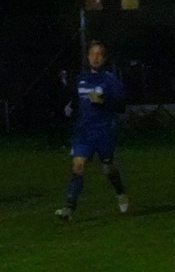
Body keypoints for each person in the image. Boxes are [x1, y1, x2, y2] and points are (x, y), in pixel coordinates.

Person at [55, 41, 128, 220]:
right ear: (88, 57)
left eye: (99, 55)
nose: (96, 58)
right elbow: (75, 100)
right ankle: (69, 208)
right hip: (84, 132)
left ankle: (120, 192)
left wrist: (104, 101)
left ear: (104, 58)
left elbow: (121, 106)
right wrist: (69, 107)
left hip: (104, 131)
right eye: (92, 54)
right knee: (78, 165)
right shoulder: (81, 79)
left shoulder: (110, 79)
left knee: (108, 168)